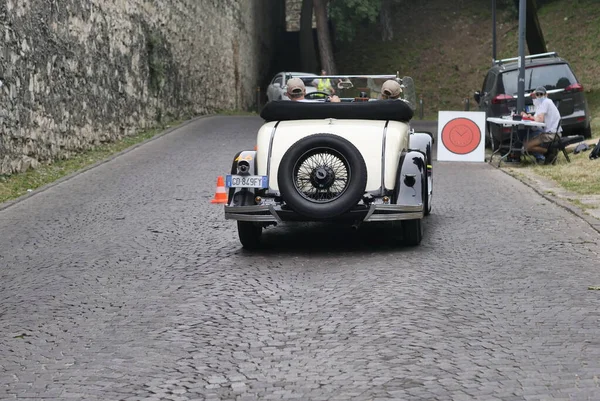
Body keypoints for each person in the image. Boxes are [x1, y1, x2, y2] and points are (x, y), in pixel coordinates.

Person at [520, 86, 562, 163]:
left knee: (526, 146)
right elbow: (537, 116)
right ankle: (549, 152)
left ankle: (549, 152)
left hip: (551, 134)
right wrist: (529, 116)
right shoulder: (543, 104)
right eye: (537, 94)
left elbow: (540, 119)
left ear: (546, 95)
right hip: (550, 132)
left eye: (541, 94)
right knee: (527, 140)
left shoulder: (546, 102)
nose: (539, 96)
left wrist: (531, 118)